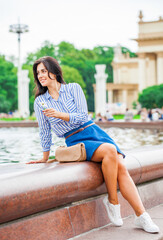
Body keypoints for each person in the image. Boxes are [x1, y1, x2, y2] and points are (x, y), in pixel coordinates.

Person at [27, 56, 159, 234]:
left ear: (54, 71)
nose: (40, 75)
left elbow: (82, 116)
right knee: (111, 152)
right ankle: (113, 201)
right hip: (74, 139)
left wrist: (60, 114)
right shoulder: (40, 102)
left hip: (93, 131)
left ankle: (141, 215)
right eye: (38, 73)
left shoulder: (73, 88)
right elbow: (44, 130)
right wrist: (44, 157)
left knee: (121, 166)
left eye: (43, 71)